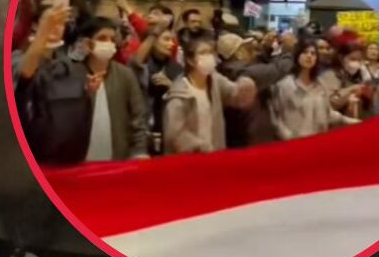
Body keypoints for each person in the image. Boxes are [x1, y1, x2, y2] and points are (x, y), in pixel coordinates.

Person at [17, 17, 149, 164]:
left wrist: (139, 151)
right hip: (78, 160)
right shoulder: (71, 74)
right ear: (87, 43)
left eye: (112, 39)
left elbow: (138, 117)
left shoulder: (125, 75)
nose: (109, 43)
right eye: (102, 38)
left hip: (116, 160)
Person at [162, 35, 256, 154]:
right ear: (190, 60)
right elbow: (175, 134)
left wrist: (245, 86)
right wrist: (199, 146)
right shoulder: (179, 93)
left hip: (216, 156)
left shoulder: (215, 80)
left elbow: (235, 95)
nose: (209, 56)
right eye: (203, 52)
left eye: (211, 52)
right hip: (190, 159)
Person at [270, 39, 358, 140]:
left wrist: (348, 120)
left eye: (313, 53)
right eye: (305, 52)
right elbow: (277, 119)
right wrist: (288, 136)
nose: (309, 56)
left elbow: (327, 113)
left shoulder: (320, 85)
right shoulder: (284, 85)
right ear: (297, 55)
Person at [134, 25, 182, 155]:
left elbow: (186, 96)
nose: (171, 44)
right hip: (143, 128)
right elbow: (136, 63)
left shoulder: (176, 68)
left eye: (172, 40)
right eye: (166, 39)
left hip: (168, 128)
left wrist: (171, 86)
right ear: (153, 42)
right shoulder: (143, 67)